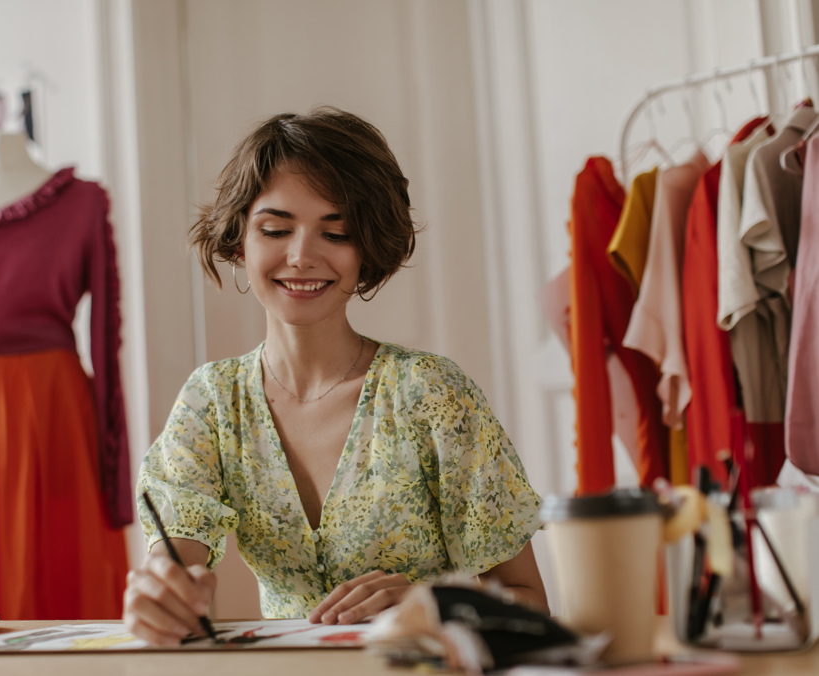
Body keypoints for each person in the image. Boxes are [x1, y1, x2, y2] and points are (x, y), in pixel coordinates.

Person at [124, 107, 546, 646]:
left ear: (367, 248)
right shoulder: (212, 401)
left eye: (337, 231)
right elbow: (174, 560)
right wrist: (161, 595)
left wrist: (436, 605)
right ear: (238, 242)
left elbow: (531, 603)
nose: (301, 256)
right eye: (275, 229)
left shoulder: (431, 393)